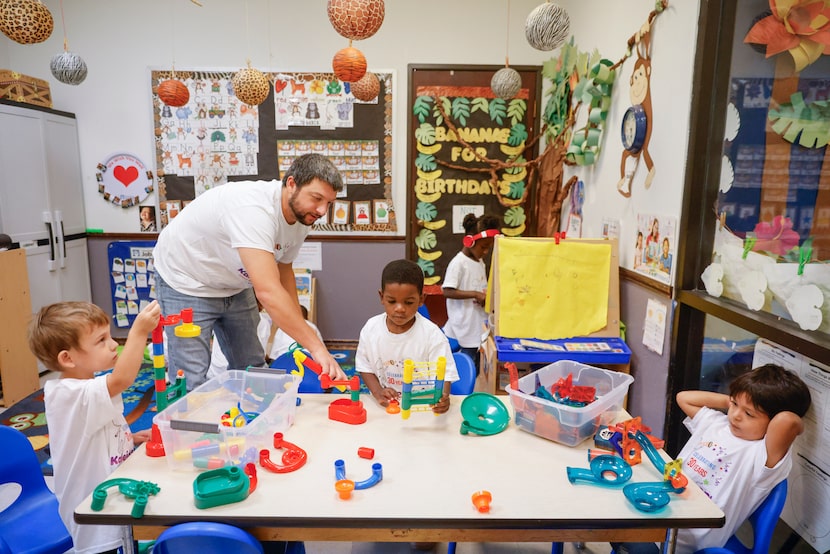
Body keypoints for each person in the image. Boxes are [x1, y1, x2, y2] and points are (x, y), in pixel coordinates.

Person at [152, 153, 346, 390]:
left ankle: (253, 422)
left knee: (252, 368)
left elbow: (284, 274)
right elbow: (268, 291)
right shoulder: (253, 208)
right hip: (187, 280)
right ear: (292, 183)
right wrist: (317, 346)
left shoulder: (301, 217)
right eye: (316, 198)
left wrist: (301, 338)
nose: (322, 210)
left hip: (234, 283)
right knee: (190, 379)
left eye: (329, 203)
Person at [612, 363, 811, 554]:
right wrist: (738, 400)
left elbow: (788, 421)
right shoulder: (717, 423)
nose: (736, 416)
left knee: (631, 540)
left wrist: (798, 426)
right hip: (660, 508)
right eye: (734, 405)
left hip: (688, 538)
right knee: (611, 518)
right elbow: (684, 398)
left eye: (749, 414)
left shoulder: (762, 457)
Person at [27, 300, 161, 554]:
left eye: (110, 336)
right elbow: (122, 379)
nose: (113, 345)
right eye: (101, 340)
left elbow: (92, 431)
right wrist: (139, 332)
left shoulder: (88, 387)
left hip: (110, 499)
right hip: (92, 511)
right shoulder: (69, 394)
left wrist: (128, 438)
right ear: (67, 358)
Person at [356, 259, 459, 414]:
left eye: (409, 302)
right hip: (387, 408)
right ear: (381, 297)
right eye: (392, 301)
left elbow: (444, 373)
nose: (400, 309)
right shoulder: (371, 329)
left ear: (421, 300)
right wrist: (378, 392)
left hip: (422, 409)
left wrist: (443, 397)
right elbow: (365, 367)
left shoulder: (432, 334)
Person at [442, 213, 500, 376]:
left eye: (489, 247)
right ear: (469, 241)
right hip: (464, 322)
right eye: (483, 247)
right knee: (467, 363)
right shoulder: (458, 263)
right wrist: (475, 294)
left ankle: (472, 385)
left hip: (476, 320)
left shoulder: (479, 261)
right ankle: (462, 389)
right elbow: (447, 291)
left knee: (476, 358)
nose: (486, 251)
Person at [207, 303, 323, 377]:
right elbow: (321, 347)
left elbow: (272, 356)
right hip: (309, 360)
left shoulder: (282, 328)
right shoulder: (311, 326)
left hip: (215, 373)